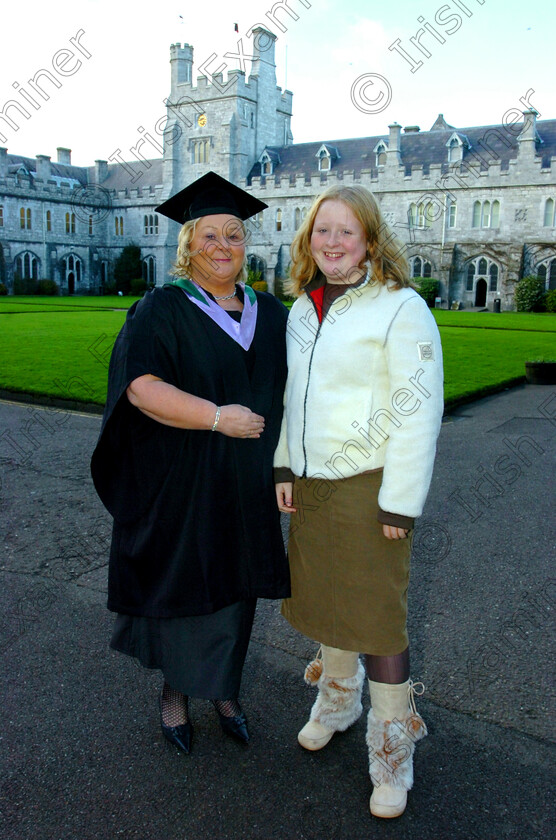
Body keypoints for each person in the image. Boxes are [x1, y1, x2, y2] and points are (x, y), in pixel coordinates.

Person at [91, 171, 290, 753]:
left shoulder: (272, 314)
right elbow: (140, 387)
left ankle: (226, 692)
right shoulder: (162, 308)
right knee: (185, 586)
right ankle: (176, 695)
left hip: (247, 483)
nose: (223, 246)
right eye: (210, 236)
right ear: (188, 245)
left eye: (234, 235)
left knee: (237, 588)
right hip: (184, 479)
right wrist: (215, 416)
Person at [274, 184, 444, 818]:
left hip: (373, 487)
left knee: (377, 619)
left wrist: (399, 501)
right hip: (313, 484)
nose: (333, 243)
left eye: (347, 232)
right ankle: (339, 703)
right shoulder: (300, 308)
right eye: (323, 231)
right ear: (308, 239)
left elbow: (419, 409)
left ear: (370, 239)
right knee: (323, 600)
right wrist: (285, 464)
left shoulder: (400, 307)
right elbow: (293, 397)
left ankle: (393, 752)